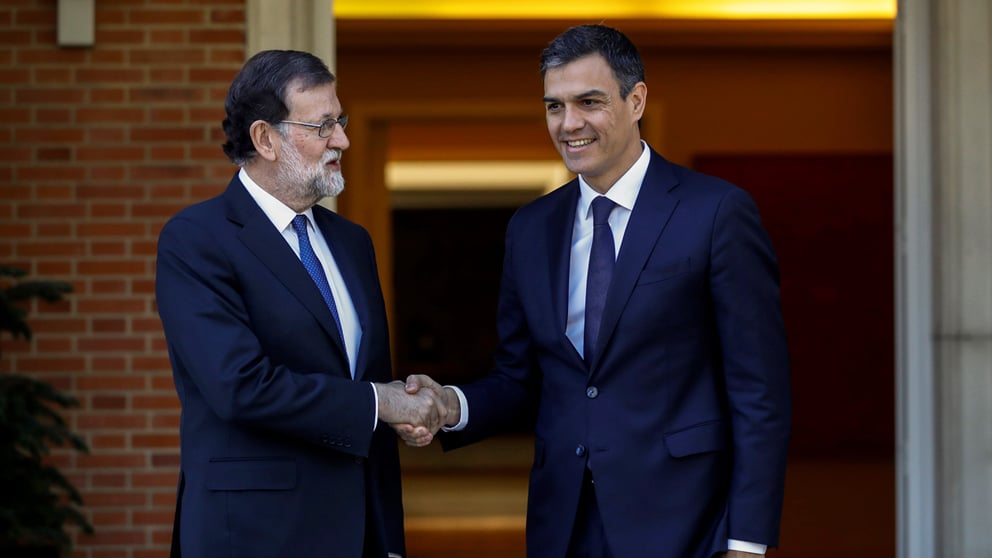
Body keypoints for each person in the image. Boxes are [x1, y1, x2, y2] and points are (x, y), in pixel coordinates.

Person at [401, 24, 791, 558]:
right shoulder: (531, 228)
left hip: (685, 523)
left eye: (588, 102)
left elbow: (758, 393)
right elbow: (520, 379)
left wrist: (747, 540)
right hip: (563, 524)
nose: (569, 124)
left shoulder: (716, 213)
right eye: (554, 106)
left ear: (637, 100)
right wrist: (450, 405)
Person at [156, 50, 446, 558]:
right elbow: (240, 387)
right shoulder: (196, 239)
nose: (343, 140)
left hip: (357, 535)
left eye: (341, 121)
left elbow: (365, 386)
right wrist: (382, 401)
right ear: (266, 138)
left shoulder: (352, 242)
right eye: (324, 125)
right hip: (252, 536)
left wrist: (387, 537)